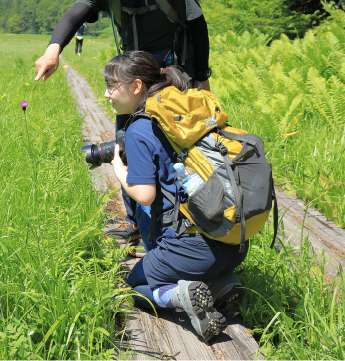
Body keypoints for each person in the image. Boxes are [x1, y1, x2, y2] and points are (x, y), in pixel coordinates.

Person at [34, 0, 212, 249]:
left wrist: (201, 78)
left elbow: (197, 27)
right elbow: (75, 13)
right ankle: (134, 220)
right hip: (132, 79)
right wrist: (53, 49)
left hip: (174, 76)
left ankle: (191, 221)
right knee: (127, 142)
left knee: (180, 147)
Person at [104, 51, 246, 342]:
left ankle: (179, 297)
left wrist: (119, 168)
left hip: (193, 251)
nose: (106, 94)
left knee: (133, 286)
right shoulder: (182, 114)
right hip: (235, 240)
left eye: (111, 85)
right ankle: (220, 282)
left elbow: (144, 194)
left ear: (136, 87)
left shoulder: (140, 127)